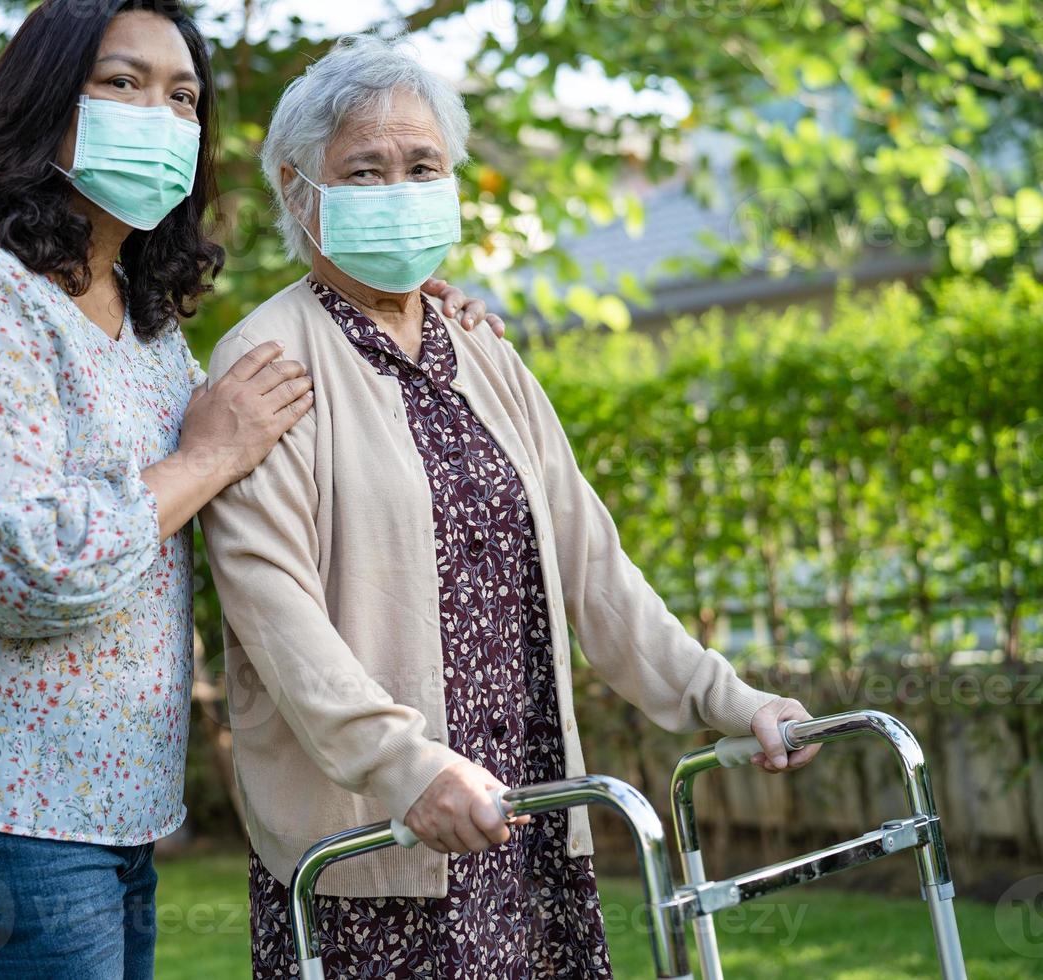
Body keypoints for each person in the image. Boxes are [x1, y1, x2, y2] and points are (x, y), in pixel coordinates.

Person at [0, 4, 500, 977]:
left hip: (110, 801)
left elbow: (259, 451)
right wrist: (205, 455)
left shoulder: (149, 327)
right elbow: (25, 571)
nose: (159, 112)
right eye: (122, 82)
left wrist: (405, 312)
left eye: (182, 95)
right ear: (44, 102)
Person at [199, 34, 821, 978]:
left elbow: (590, 562)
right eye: (364, 170)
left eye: (423, 165)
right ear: (297, 190)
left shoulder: (481, 344)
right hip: (379, 840)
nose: (400, 188)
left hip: (525, 816)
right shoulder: (267, 362)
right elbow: (274, 615)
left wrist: (726, 700)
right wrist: (408, 770)